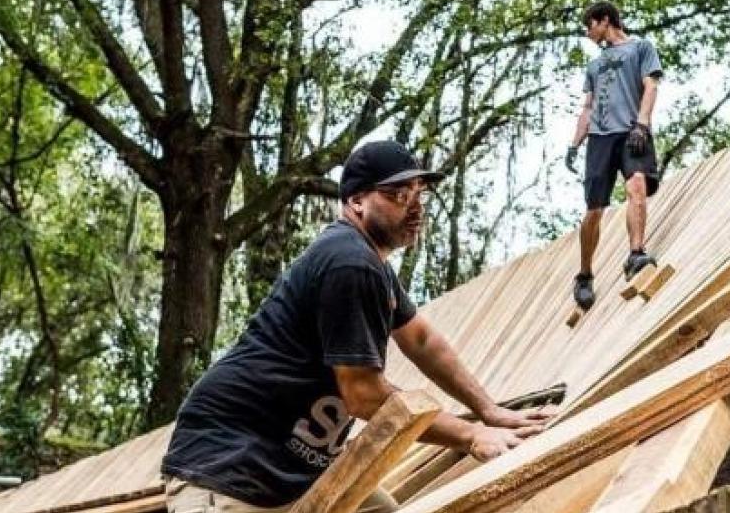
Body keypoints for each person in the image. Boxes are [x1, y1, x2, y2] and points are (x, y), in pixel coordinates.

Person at [160, 141, 553, 512]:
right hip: (228, 467)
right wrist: (469, 435)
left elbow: (420, 339)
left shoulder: (371, 265)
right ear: (356, 201)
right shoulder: (348, 262)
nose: (415, 207)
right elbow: (364, 395)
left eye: (420, 194)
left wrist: (489, 410)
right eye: (399, 194)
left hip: (297, 473)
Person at [565, 1, 664, 310]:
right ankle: (584, 275)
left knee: (636, 185)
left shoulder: (641, 48)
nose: (587, 32)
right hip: (600, 139)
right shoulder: (594, 66)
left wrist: (642, 125)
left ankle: (636, 253)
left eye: (589, 25)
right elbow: (588, 107)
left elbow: (651, 86)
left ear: (604, 20)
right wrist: (574, 143)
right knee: (594, 210)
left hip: (632, 131)